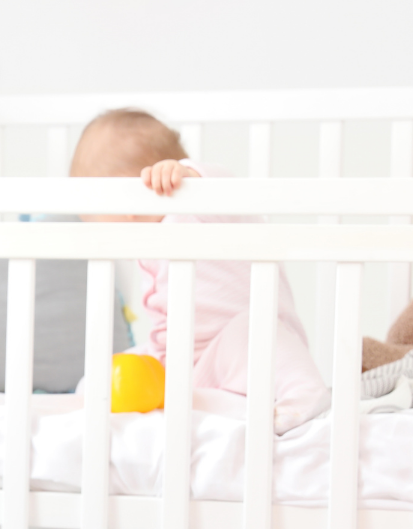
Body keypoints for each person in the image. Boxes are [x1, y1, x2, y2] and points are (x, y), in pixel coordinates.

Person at [70, 108, 330, 434]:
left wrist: (188, 175)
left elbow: (223, 183)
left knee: (251, 331)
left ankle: (305, 393)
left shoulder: (195, 205)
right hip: (189, 364)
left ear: (128, 204)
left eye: (101, 227)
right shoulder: (148, 247)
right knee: (121, 365)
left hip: (247, 354)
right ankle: (88, 395)